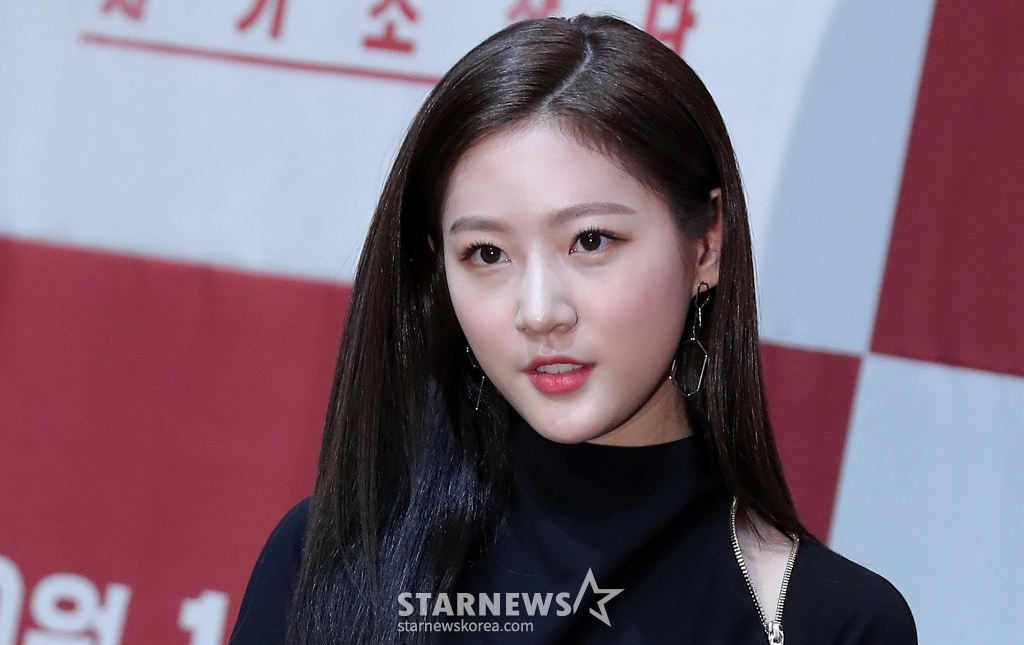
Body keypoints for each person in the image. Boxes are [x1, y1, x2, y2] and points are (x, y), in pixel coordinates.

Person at [227, 14, 916, 645]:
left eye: (590, 241)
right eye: (486, 254)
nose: (539, 311)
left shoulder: (826, 623)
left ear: (707, 244)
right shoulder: (330, 561)